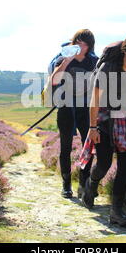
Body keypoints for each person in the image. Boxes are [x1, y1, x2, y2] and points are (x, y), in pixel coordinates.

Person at [79, 33, 126, 227]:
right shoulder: (107, 68)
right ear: (125, 51)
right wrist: (92, 127)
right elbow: (94, 100)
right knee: (104, 163)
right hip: (104, 120)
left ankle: (116, 210)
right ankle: (91, 184)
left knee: (125, 166)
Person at [49, 29, 99, 199]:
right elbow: (54, 80)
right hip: (66, 107)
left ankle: (83, 184)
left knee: (89, 148)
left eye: (84, 44)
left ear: (89, 46)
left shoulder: (93, 61)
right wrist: (66, 62)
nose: (80, 46)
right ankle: (66, 185)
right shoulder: (63, 58)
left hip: (86, 109)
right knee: (65, 147)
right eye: (77, 42)